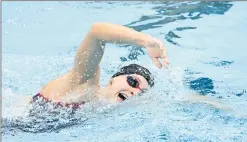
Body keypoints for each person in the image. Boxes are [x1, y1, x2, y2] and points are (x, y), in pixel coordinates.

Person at [30, 22, 169, 110]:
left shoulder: (99, 112)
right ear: (112, 79)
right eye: (133, 82)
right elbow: (96, 32)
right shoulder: (84, 83)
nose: (135, 91)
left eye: (142, 93)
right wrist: (146, 41)